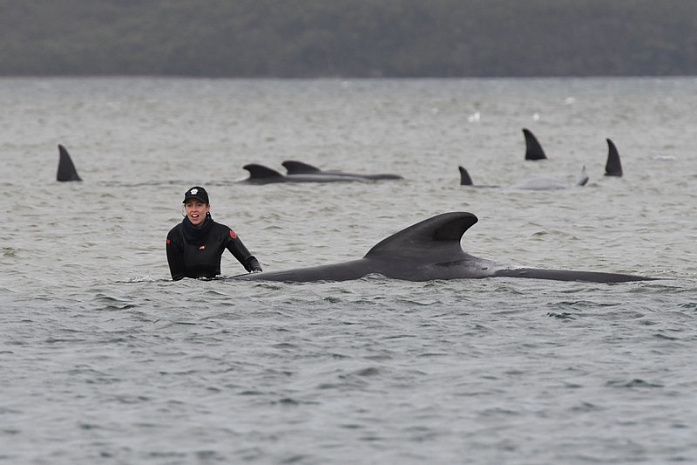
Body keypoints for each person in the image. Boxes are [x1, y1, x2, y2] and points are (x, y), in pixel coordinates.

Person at [166, 186, 262, 280]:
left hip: (215, 289)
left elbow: (250, 261)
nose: (194, 210)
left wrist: (258, 274)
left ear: (207, 207)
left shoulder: (223, 232)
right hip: (187, 292)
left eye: (199, 205)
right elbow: (177, 278)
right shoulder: (174, 236)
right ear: (185, 208)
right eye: (189, 205)